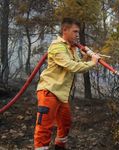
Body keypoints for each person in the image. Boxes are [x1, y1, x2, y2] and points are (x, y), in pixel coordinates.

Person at [34, 18, 100, 150]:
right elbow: (71, 66)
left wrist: (86, 57)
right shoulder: (57, 46)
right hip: (49, 92)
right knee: (44, 128)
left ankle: (60, 147)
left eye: (78, 32)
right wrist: (92, 62)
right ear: (65, 30)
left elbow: (78, 64)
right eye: (75, 31)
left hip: (61, 95)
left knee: (65, 123)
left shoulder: (71, 48)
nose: (77, 35)